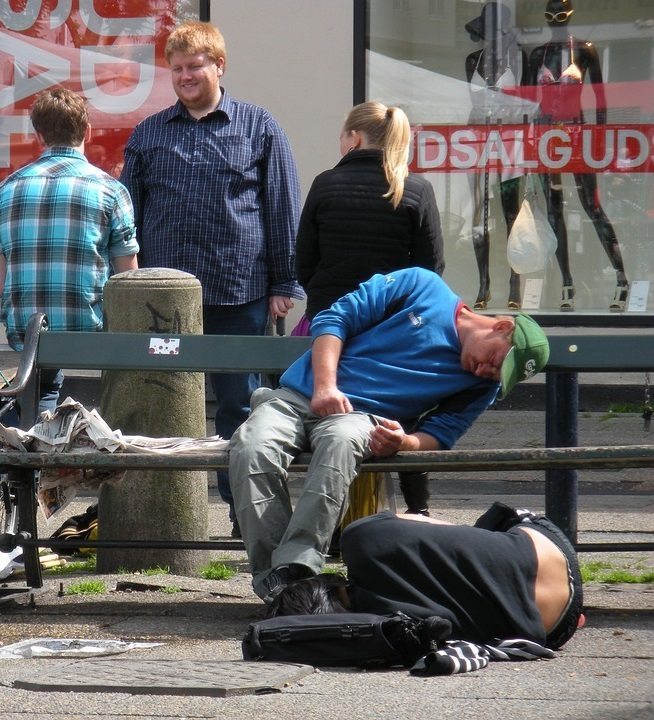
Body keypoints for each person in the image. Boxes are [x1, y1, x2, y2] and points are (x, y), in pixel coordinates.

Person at [229, 266, 551, 604]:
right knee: (251, 447)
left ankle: (295, 569)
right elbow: (334, 319)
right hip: (298, 395)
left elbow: (441, 433)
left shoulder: (483, 385)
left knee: (341, 442)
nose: (487, 371)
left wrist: (404, 442)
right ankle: (281, 584)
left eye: (498, 374)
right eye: (495, 361)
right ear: (501, 327)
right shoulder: (421, 286)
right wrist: (325, 386)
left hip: (361, 418)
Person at [119, 21, 303, 537]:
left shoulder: (259, 126)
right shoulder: (149, 132)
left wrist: (284, 284)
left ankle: (247, 518)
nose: (185, 76)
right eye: (176, 69)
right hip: (163, 298)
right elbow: (127, 216)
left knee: (240, 407)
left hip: (238, 289)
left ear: (219, 65)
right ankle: (161, 519)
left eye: (194, 66)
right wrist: (127, 282)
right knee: (160, 405)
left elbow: (281, 207)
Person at [295, 100, 445, 517]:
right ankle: (418, 508)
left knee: (331, 413)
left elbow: (304, 261)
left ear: (355, 138)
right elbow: (431, 270)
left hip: (332, 328)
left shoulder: (326, 184)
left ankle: (335, 514)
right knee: (403, 410)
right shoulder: (415, 189)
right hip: (392, 327)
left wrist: (327, 302)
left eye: (342, 136)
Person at [268, 502, 583, 652]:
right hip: (550, 551)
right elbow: (446, 531)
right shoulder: (360, 538)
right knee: (483, 531)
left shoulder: (391, 633)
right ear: (325, 582)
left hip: (554, 627)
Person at [0, 87, 139, 420]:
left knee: (42, 386)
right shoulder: (111, 190)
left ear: (39, 135)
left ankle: (31, 428)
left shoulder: (7, 189)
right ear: (87, 131)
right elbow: (129, 278)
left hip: (26, 333)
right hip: (88, 331)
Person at [528, 0, 629, 312]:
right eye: (550, 17)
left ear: (570, 16)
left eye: (561, 16)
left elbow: (600, 97)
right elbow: (527, 102)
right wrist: (527, 141)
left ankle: (621, 277)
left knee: (592, 206)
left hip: (577, 133)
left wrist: (600, 137)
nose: (556, 22)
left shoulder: (585, 50)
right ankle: (567, 283)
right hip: (546, 136)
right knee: (554, 210)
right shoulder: (538, 54)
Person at [464, 1, 531, 311]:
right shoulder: (472, 60)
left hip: (510, 139)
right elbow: (473, 102)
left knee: (511, 212)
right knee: (479, 213)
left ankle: (515, 282)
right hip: (477, 139)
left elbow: (527, 104)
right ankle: (484, 284)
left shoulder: (519, 59)